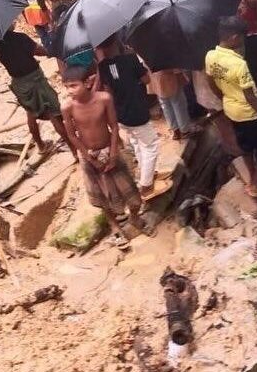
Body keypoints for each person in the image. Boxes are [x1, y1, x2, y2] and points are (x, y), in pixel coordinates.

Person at [61, 65, 153, 246]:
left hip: (109, 150)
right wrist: (88, 156)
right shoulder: (68, 107)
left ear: (88, 82)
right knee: (102, 199)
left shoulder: (104, 99)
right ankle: (115, 228)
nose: (69, 91)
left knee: (132, 196)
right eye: (66, 87)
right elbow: (71, 135)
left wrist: (112, 153)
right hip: (89, 156)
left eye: (73, 85)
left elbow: (114, 126)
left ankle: (134, 218)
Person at [205, 17, 257, 198]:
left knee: (245, 146)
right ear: (233, 37)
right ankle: (256, 183)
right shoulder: (239, 64)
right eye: (241, 38)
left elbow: (211, 81)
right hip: (249, 113)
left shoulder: (210, 56)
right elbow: (250, 96)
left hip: (231, 109)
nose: (242, 42)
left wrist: (225, 97)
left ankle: (252, 174)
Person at [0, 28, 74, 155]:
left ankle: (41, 145)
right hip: (35, 79)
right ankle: (73, 150)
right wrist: (49, 51)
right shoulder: (19, 38)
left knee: (30, 113)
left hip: (19, 83)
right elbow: (39, 51)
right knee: (53, 114)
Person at [94, 36, 159, 197]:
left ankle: (145, 173)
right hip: (137, 109)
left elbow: (107, 89)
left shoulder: (102, 67)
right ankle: (146, 184)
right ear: (116, 41)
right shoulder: (130, 59)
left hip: (120, 112)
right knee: (151, 145)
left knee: (137, 143)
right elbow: (146, 79)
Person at [150, 69, 194, 140]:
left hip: (155, 77)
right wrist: (179, 72)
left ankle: (175, 131)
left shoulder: (149, 58)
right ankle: (185, 130)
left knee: (165, 105)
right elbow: (173, 66)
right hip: (169, 76)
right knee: (178, 104)